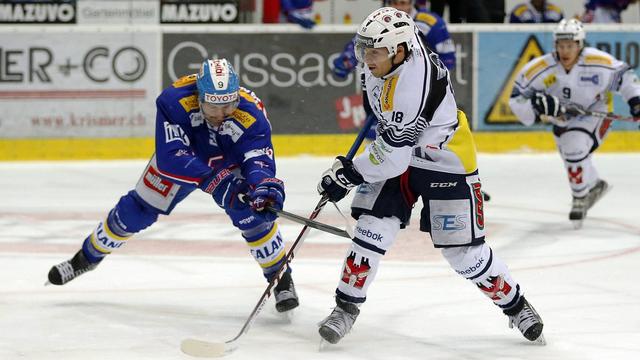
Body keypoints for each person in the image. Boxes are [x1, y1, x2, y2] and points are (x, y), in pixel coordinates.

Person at [316, 7, 544, 346]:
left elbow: (391, 159)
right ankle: (345, 307)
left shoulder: (411, 86)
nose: (365, 58)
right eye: (364, 50)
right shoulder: (388, 57)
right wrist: (355, 166)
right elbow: (382, 122)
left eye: (373, 52)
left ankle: (516, 305)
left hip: (445, 159)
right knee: (371, 231)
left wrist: (348, 174)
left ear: (400, 51)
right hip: (402, 152)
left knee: (464, 254)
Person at [47, 58, 299, 313]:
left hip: (228, 161)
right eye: (213, 107)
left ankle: (281, 277)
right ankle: (86, 258)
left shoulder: (252, 112)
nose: (221, 115)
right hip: (185, 160)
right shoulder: (174, 101)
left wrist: (263, 185)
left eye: (228, 106)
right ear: (199, 98)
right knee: (134, 213)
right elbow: (171, 156)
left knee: (252, 215)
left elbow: (258, 159)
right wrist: (214, 181)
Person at [509, 19, 640, 227]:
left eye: (570, 45)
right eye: (561, 46)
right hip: (561, 120)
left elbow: (624, 76)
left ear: (580, 45)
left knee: (574, 147)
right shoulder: (542, 67)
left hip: (595, 114)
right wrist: (535, 109)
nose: (565, 51)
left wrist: (636, 102)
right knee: (572, 156)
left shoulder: (597, 61)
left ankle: (580, 197)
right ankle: (595, 185)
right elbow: (516, 96)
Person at [332, 0, 455, 80]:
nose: (399, 8)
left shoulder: (431, 23)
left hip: (419, 86)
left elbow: (448, 59)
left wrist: (429, 79)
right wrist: (347, 60)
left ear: (411, 3)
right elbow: (361, 45)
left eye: (403, 3)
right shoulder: (377, 21)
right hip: (383, 83)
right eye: (394, 3)